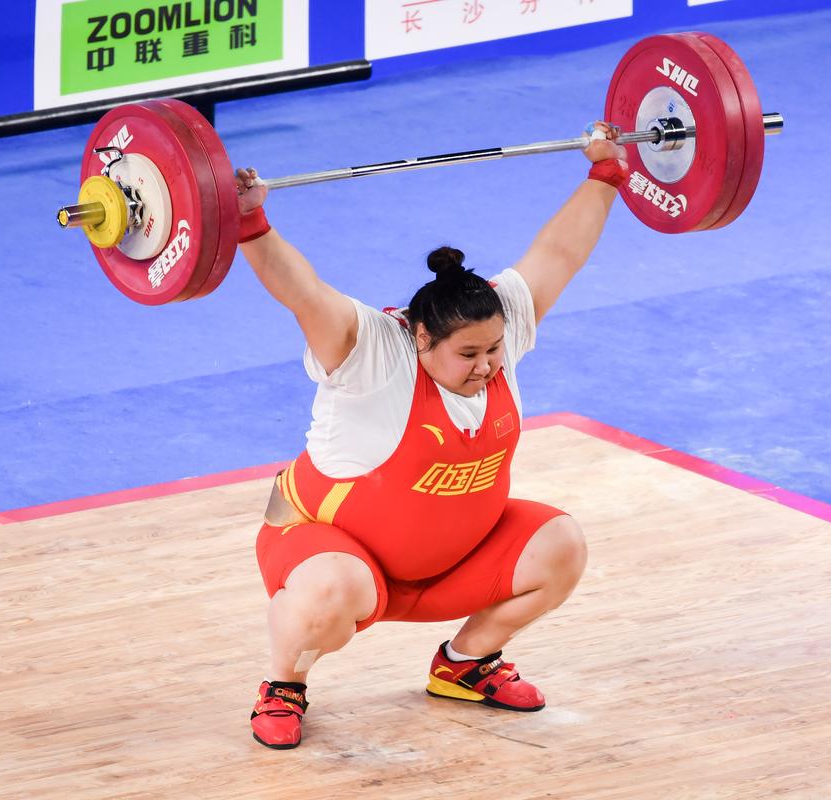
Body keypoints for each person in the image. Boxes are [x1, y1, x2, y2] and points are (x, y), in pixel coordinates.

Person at [234, 122, 628, 749]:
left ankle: (465, 664)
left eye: (495, 349)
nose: (488, 365)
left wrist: (607, 173)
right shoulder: (372, 354)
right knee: (330, 593)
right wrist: (250, 223)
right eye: (469, 353)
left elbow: (559, 255)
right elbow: (301, 293)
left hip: (451, 565)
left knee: (561, 544)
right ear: (421, 339)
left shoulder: (497, 325)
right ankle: (285, 683)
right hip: (338, 560)